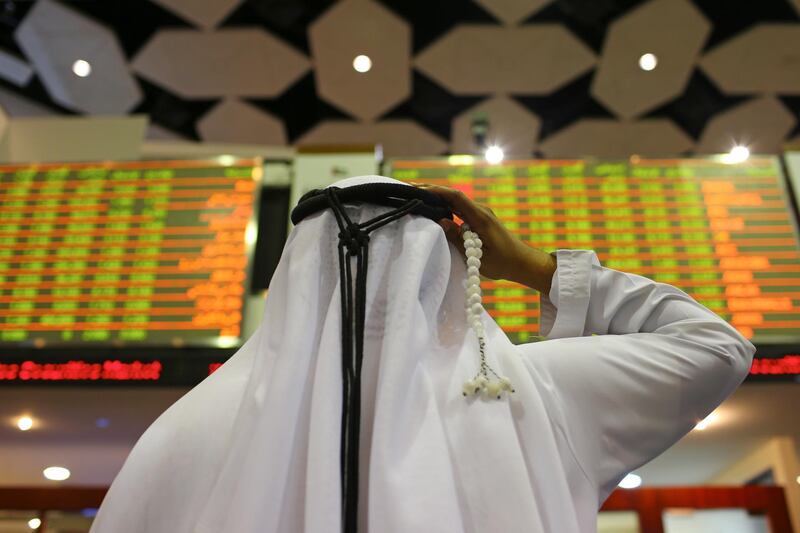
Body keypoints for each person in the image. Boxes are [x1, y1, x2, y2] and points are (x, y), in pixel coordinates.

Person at [90, 175, 755, 533]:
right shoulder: (527, 394)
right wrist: (534, 266)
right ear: (437, 263)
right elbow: (716, 346)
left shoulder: (179, 433)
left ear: (294, 268)